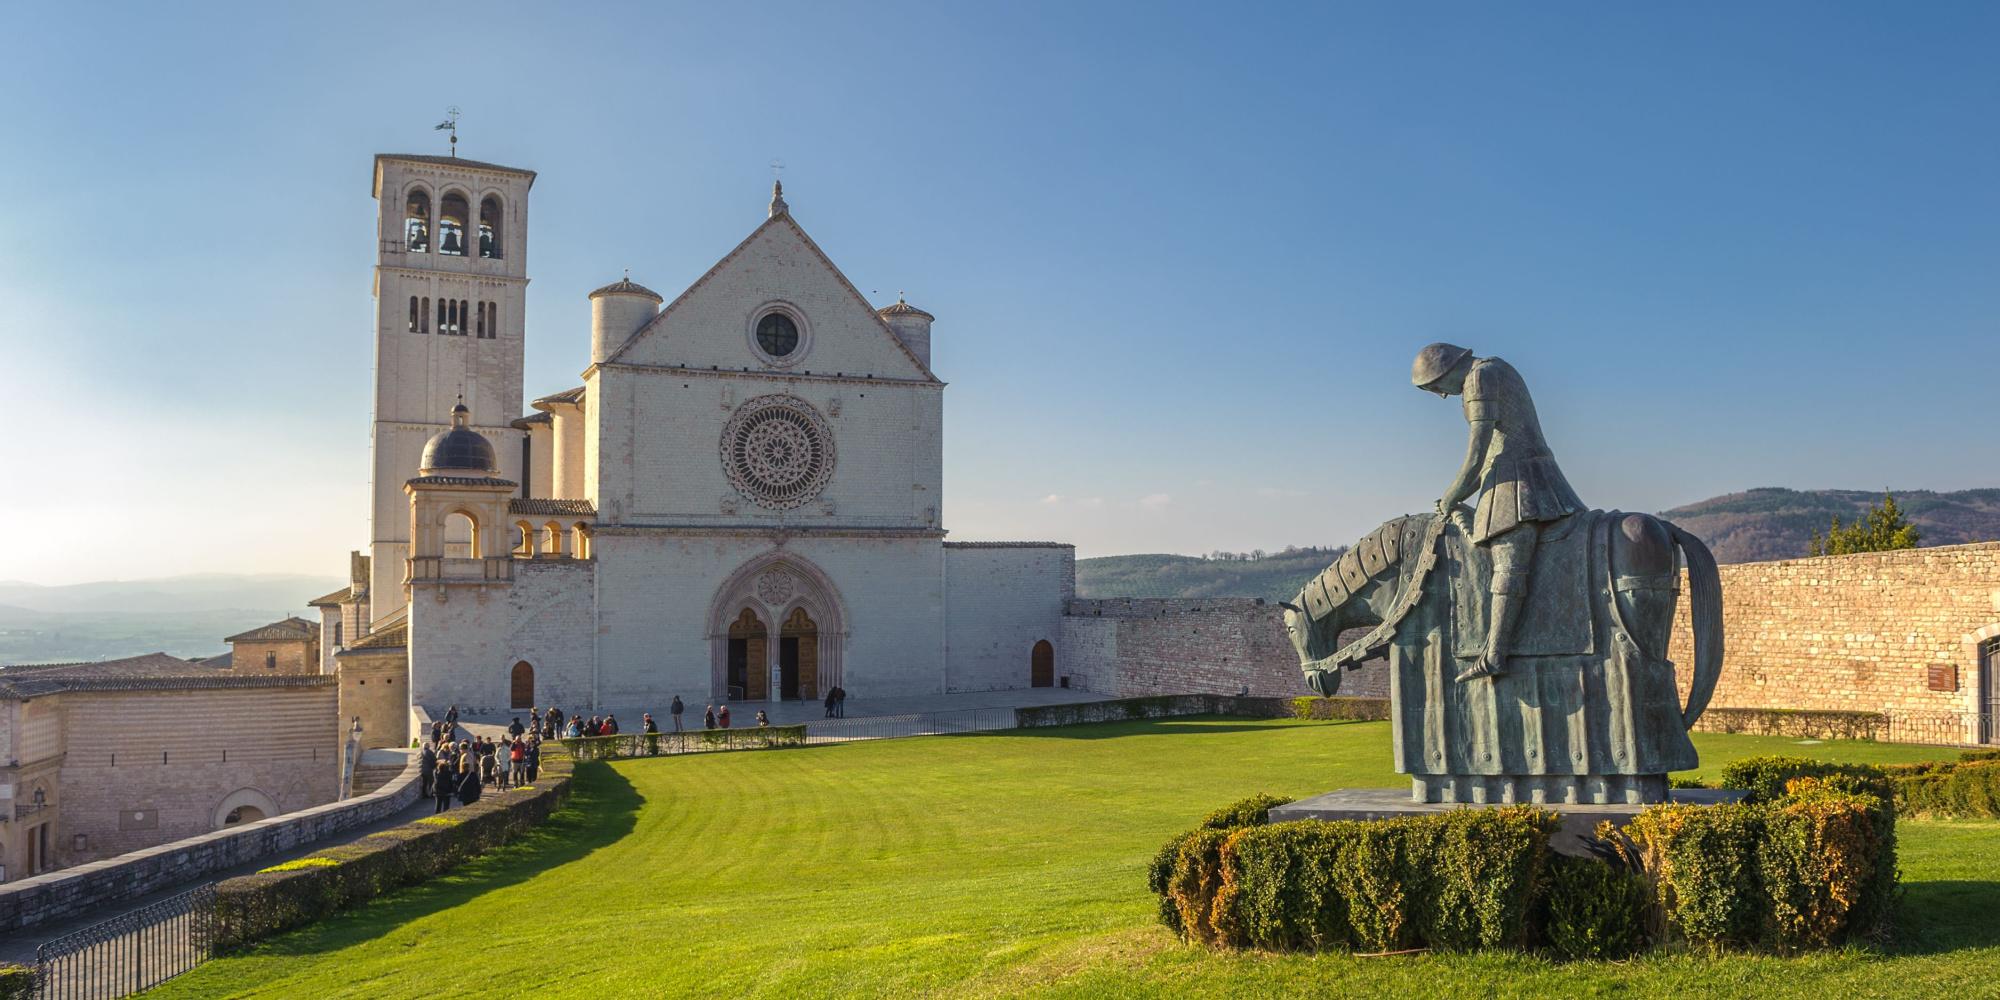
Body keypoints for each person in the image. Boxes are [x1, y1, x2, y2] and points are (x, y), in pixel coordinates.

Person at [1411, 342, 1584, 684]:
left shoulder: (1480, 377)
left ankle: (1494, 655)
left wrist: (1450, 495)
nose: (1441, 396)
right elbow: (1487, 458)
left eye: (1435, 388)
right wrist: (1459, 498)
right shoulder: (1491, 369)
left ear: (1444, 373)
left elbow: (1478, 452)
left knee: (1508, 562)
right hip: (1509, 472)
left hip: (1520, 479)